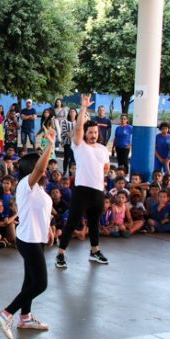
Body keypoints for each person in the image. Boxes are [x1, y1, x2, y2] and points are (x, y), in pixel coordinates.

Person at [0, 128, 56, 339]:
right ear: (32, 169)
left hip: (37, 239)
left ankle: (25, 318)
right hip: (28, 241)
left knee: (29, 281)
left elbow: (41, 212)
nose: (45, 168)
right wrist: (50, 146)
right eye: (40, 165)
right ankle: (6, 314)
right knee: (40, 284)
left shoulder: (39, 190)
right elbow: (40, 168)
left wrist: (48, 229)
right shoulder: (24, 185)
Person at [55, 93, 110, 269]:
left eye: (95, 132)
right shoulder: (79, 146)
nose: (93, 135)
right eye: (90, 132)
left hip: (98, 192)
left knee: (95, 224)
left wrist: (100, 177)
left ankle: (95, 251)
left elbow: (106, 168)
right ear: (85, 134)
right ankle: (60, 254)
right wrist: (84, 108)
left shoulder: (102, 149)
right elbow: (78, 128)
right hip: (82, 191)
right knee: (71, 223)